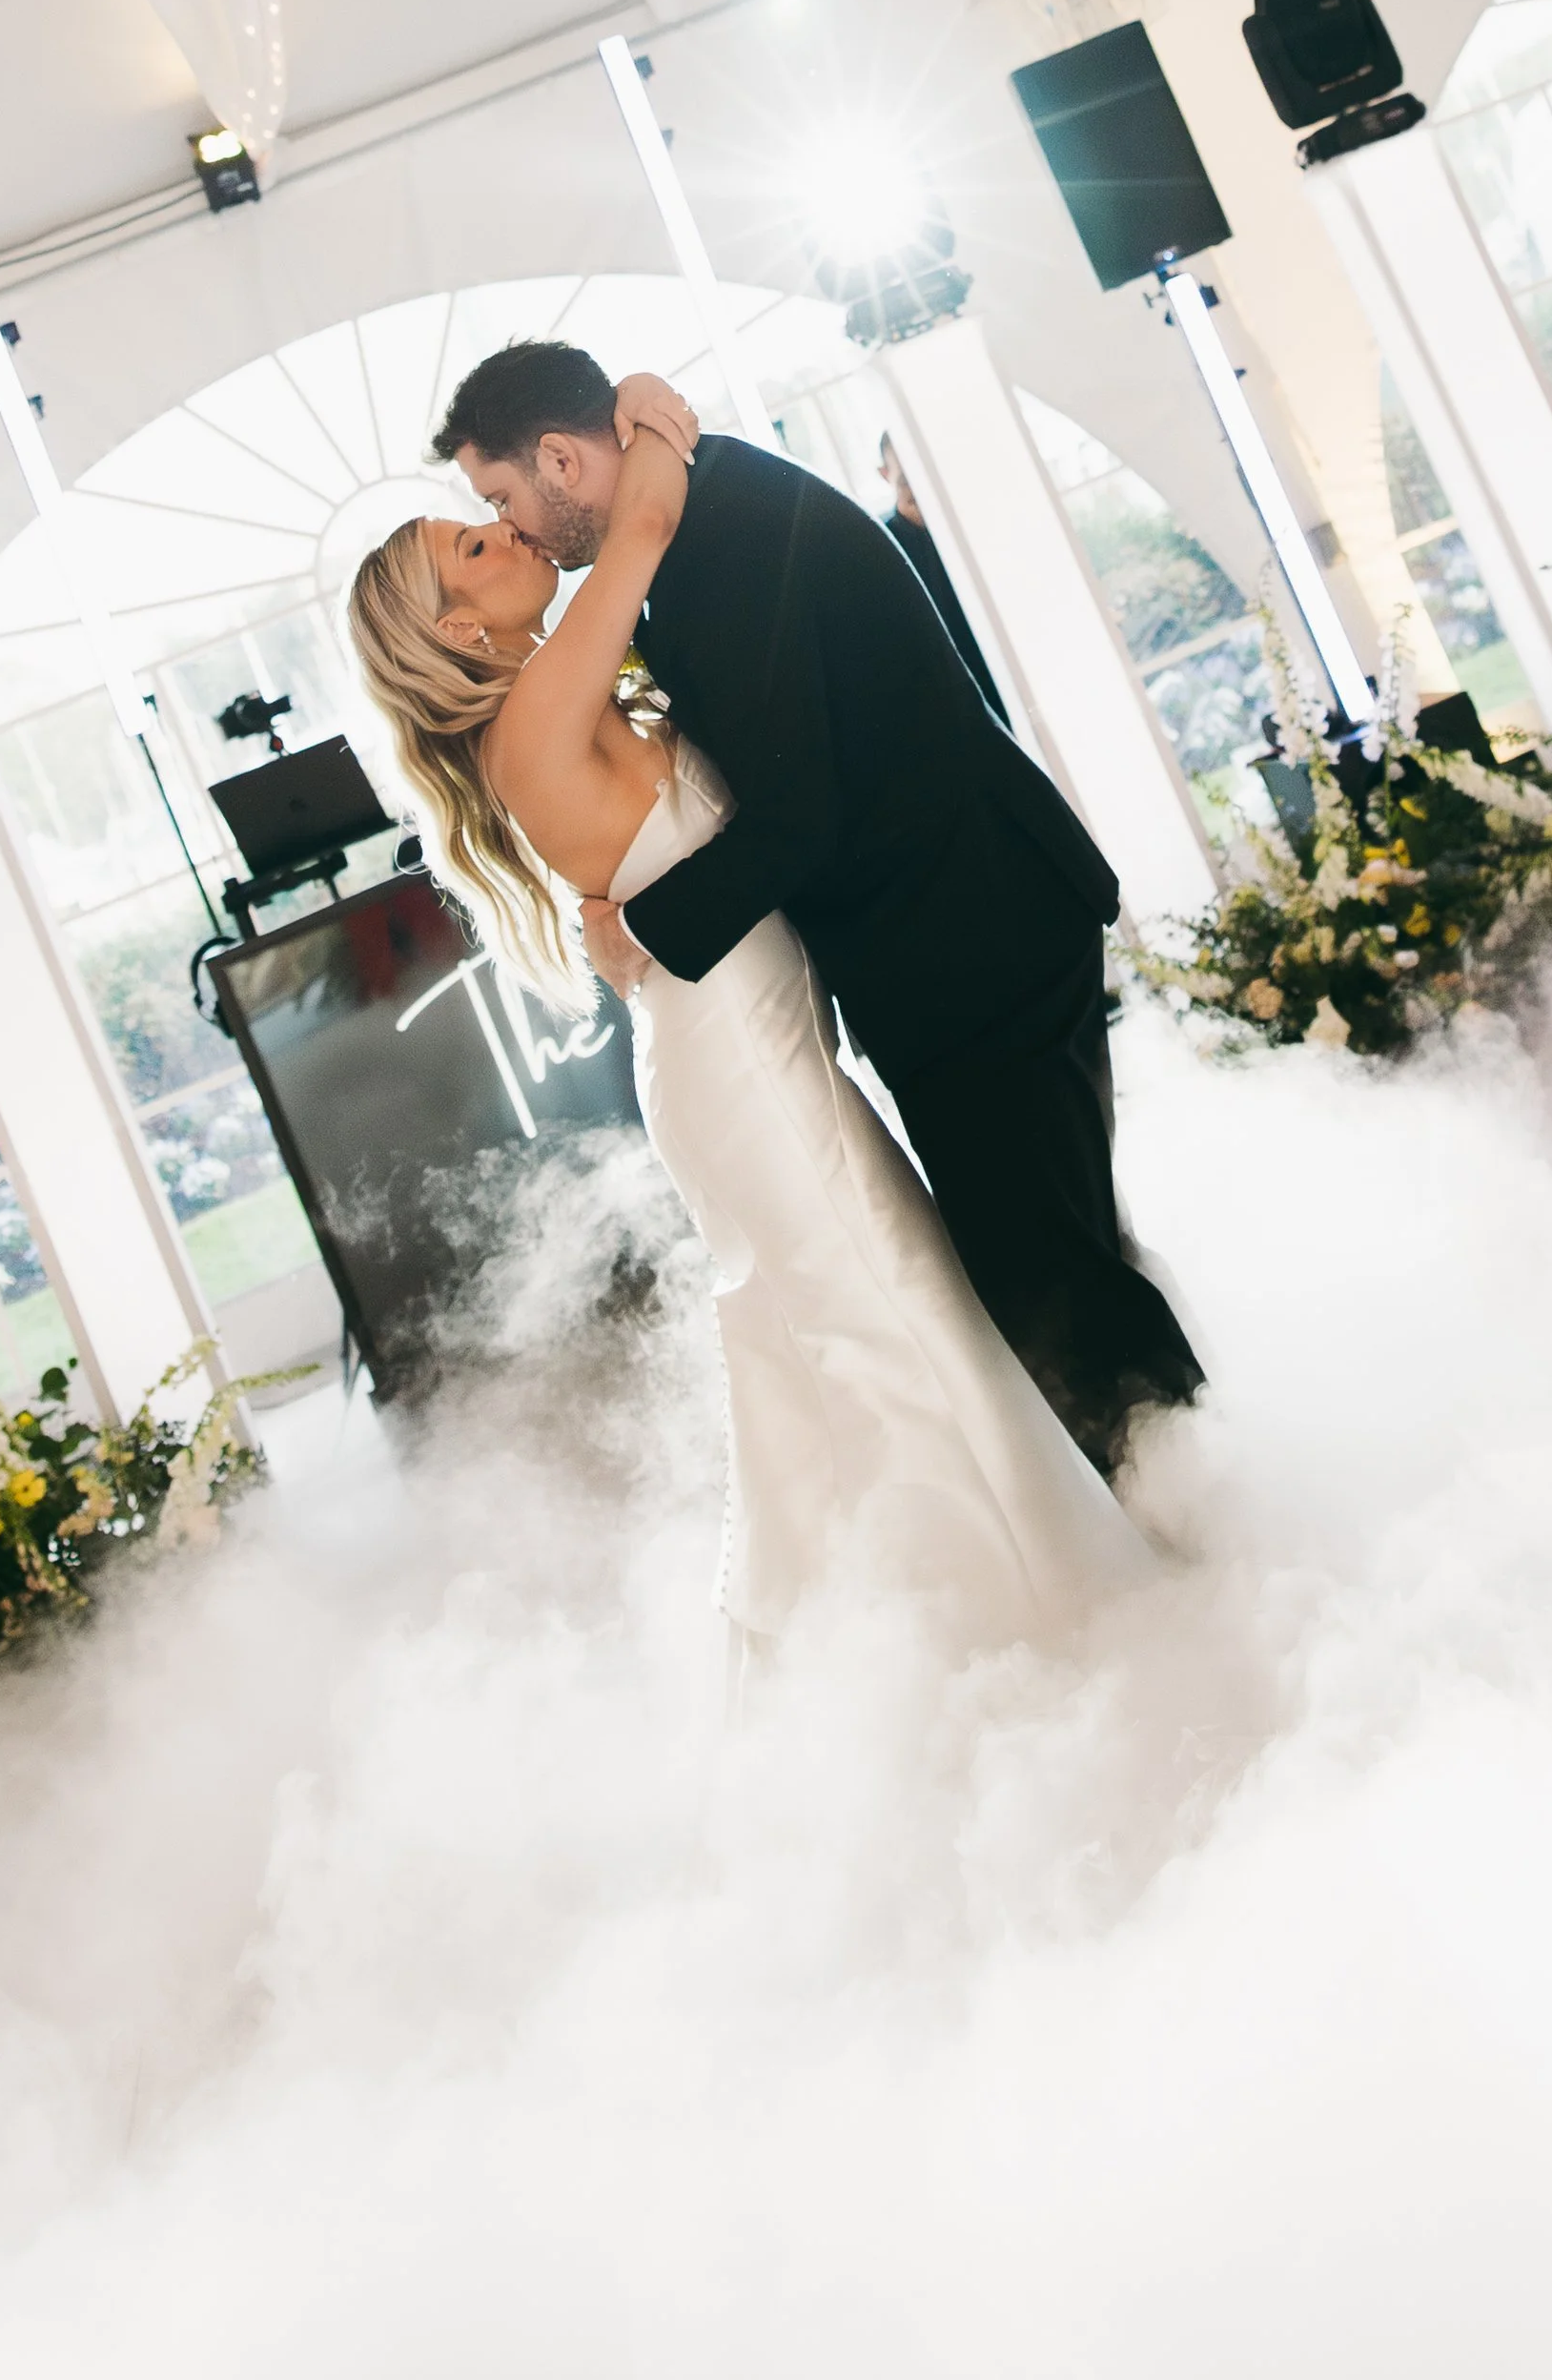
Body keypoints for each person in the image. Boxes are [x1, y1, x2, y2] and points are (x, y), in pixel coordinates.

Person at [348, 372, 1147, 1653]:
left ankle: (996, 1583)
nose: (503, 532)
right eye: (478, 537)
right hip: (741, 1066)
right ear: (454, 630)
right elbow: (648, 529)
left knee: (907, 1305)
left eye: (492, 507)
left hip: (792, 1031)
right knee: (885, 1318)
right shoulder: (543, 706)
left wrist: (642, 433)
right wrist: (658, 434)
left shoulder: (572, 686)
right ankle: (1003, 1619)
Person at [877, 432, 1010, 725]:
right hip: (939, 698)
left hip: (1003, 679)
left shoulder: (976, 524)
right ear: (885, 474)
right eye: (906, 477)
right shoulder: (880, 544)